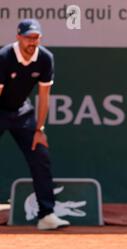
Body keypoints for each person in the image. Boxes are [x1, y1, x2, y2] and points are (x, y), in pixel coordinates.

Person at [0, 19, 70, 230]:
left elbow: (44, 96)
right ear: (18, 37)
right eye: (28, 38)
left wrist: (39, 130)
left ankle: (46, 215)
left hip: (22, 112)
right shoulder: (4, 57)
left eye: (36, 38)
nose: (32, 42)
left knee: (40, 154)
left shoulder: (45, 58)